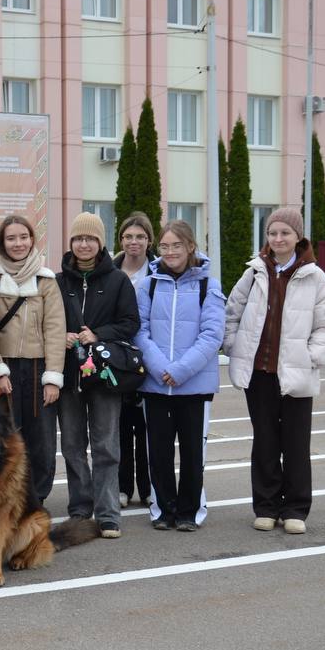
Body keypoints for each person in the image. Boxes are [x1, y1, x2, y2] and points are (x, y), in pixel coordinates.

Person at [223, 208, 325, 535]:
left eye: (284, 233)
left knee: (295, 444)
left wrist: (310, 357)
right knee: (264, 441)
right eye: (272, 233)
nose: (278, 239)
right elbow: (230, 313)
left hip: (296, 375)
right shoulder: (254, 272)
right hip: (259, 374)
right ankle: (265, 506)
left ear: (297, 237)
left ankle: (295, 509)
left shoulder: (315, 277)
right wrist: (235, 347)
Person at [133, 220, 225, 532]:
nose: (170, 251)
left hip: (194, 387)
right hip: (156, 385)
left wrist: (182, 370)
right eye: (165, 246)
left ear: (190, 247)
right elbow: (139, 332)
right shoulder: (148, 285)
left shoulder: (207, 285)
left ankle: (189, 511)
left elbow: (212, 336)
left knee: (192, 453)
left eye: (177, 245)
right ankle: (162, 510)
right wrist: (162, 369)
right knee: (157, 452)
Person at [56, 212, 139, 539]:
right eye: (78, 238)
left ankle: (107, 514)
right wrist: (62, 334)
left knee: (105, 445)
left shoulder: (118, 280)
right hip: (69, 375)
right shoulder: (59, 281)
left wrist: (99, 334)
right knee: (73, 445)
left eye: (90, 238)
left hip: (105, 377)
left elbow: (131, 324)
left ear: (100, 243)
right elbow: (48, 322)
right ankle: (80, 507)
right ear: (72, 243)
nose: (84, 244)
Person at [0, 214, 66, 502]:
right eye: (11, 238)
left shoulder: (46, 280)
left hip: (37, 369)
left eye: (23, 237)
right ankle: (4, 498)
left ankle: (35, 499)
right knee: (3, 438)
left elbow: (55, 329)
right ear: (2, 243)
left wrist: (53, 376)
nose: (18, 243)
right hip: (4, 370)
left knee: (41, 439)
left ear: (32, 239)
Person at [114, 212, 156, 509]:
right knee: (119, 427)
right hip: (117, 359)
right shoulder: (112, 271)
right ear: (121, 240)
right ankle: (122, 486)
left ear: (149, 240)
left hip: (149, 357)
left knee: (147, 429)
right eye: (129, 236)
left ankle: (148, 486)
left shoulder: (159, 271)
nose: (134, 242)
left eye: (140, 236)